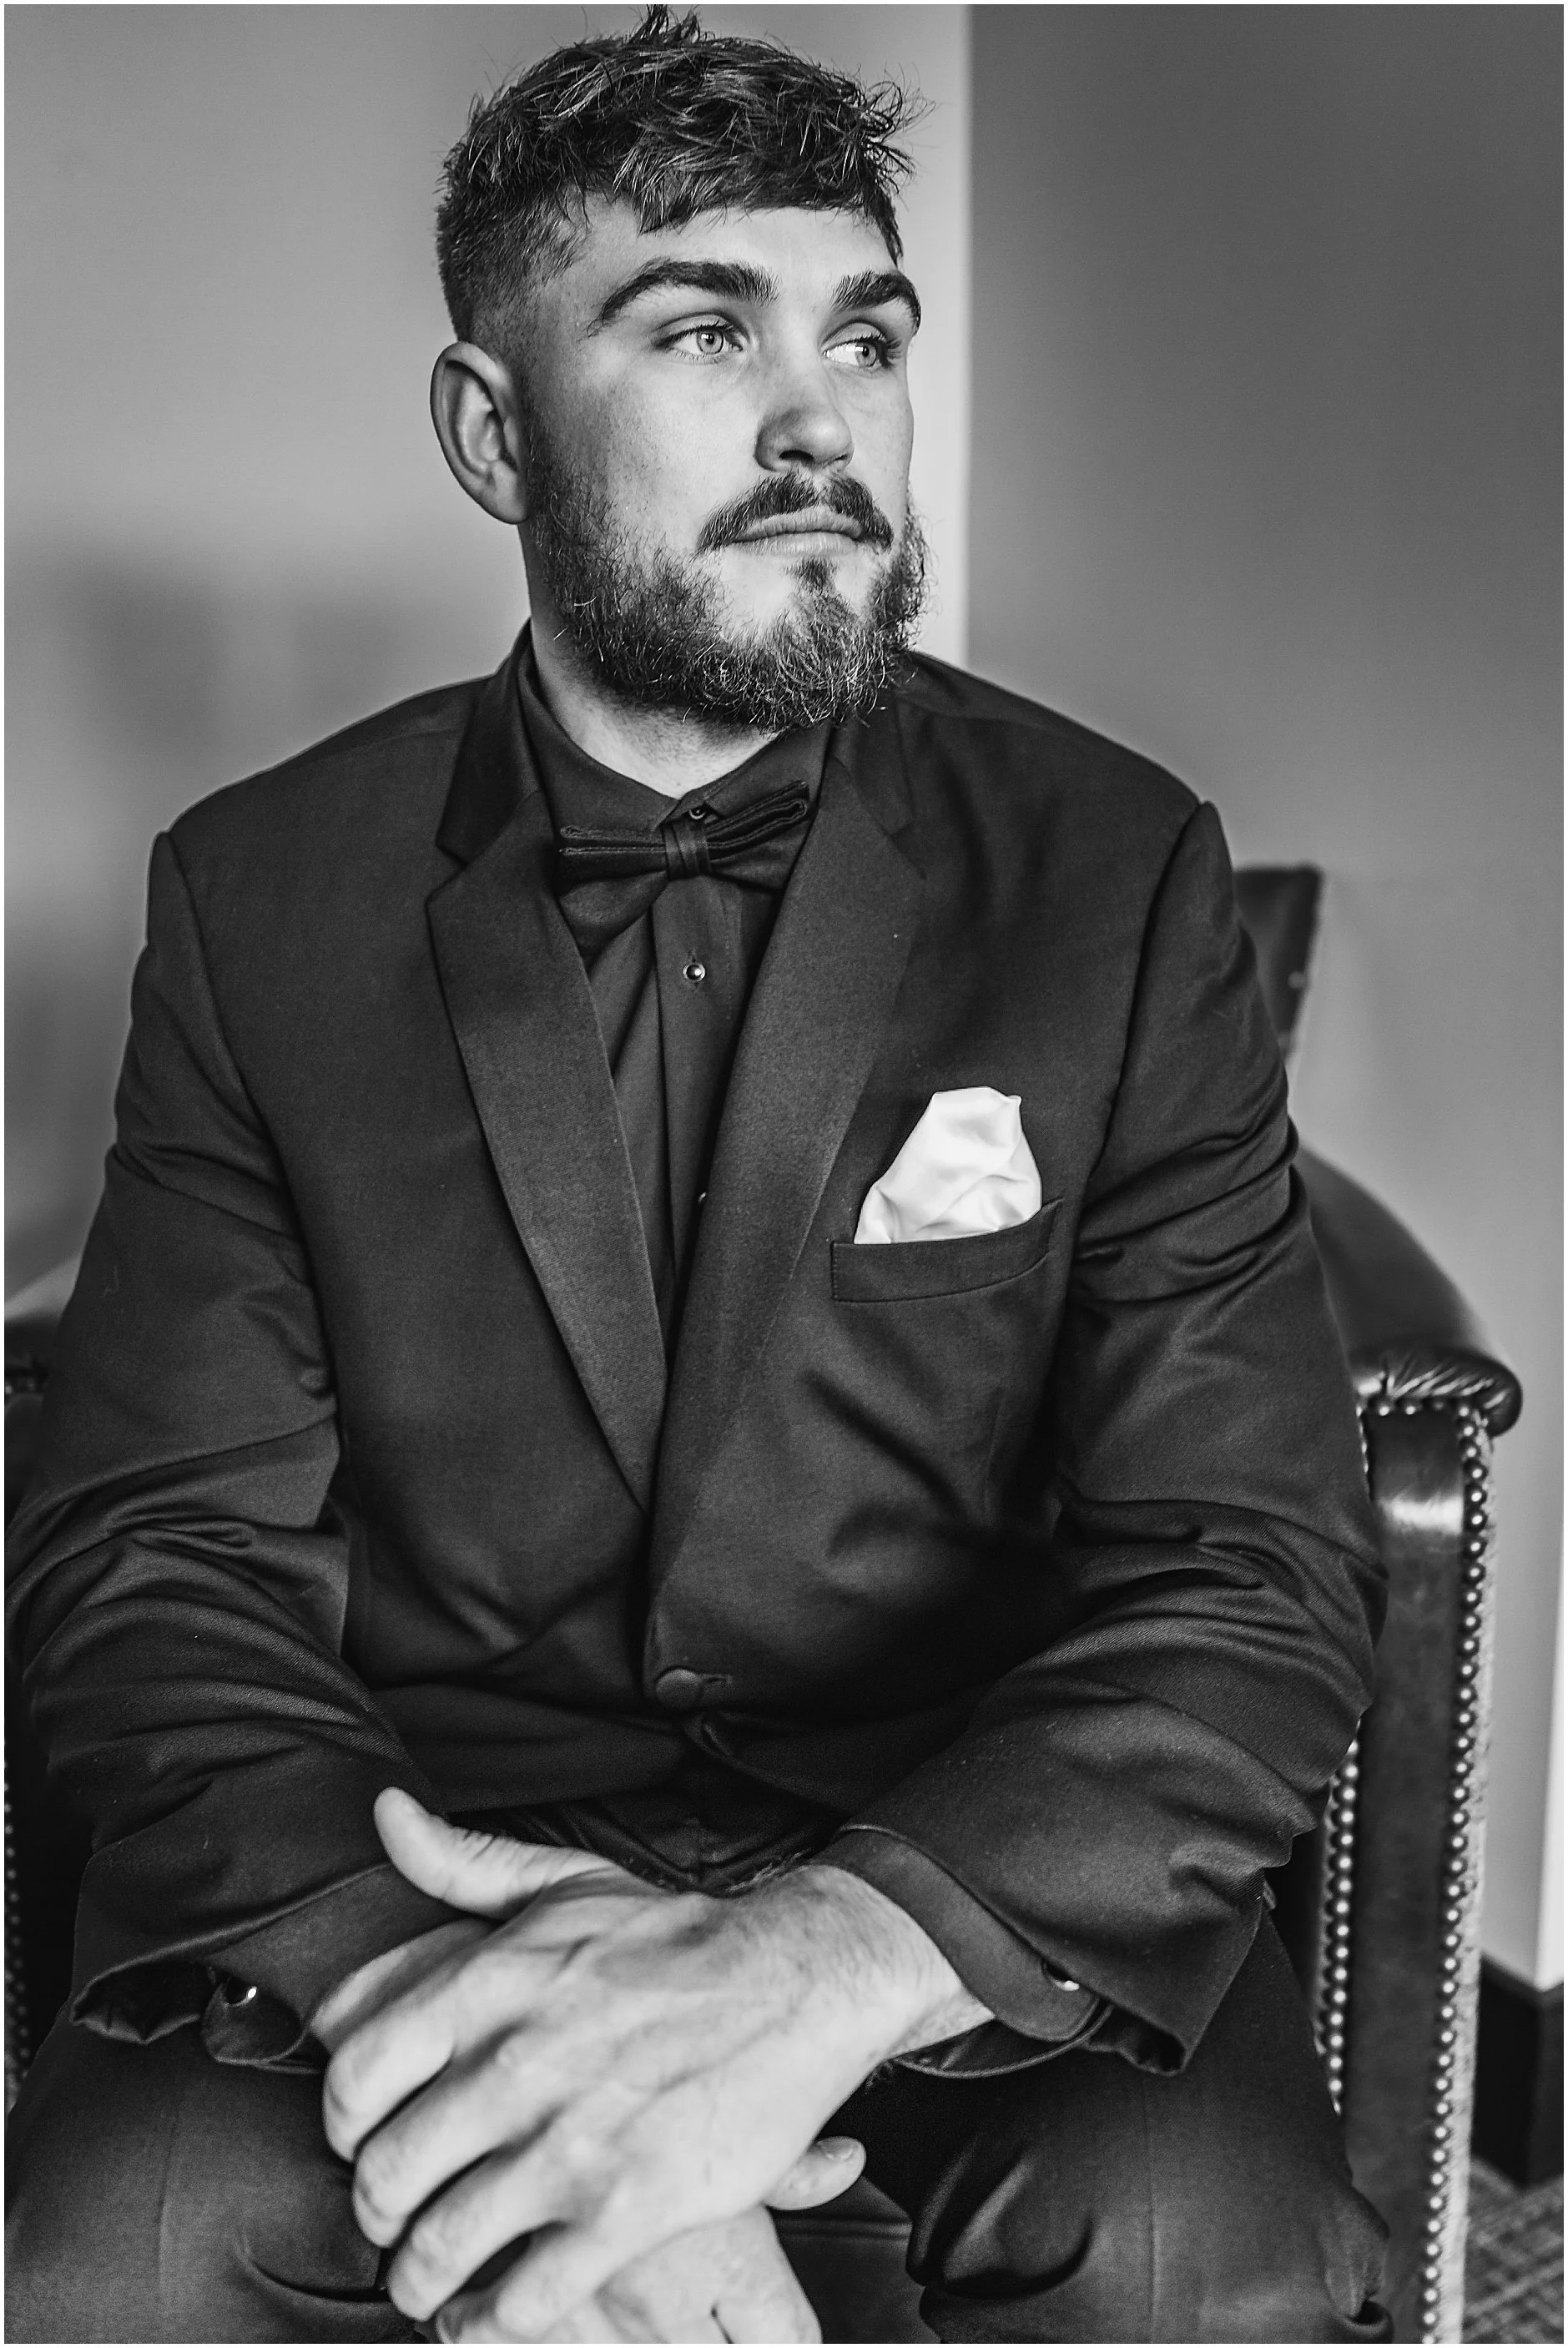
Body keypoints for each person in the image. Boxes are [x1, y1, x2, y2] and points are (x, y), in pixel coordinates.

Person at [6, 11, 1392, 2341]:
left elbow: (1248, 1563)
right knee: (116, 2243)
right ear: (491, 429)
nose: (822, 422)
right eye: (704, 332)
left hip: (958, 1843)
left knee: (1194, 2240)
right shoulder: (260, 896)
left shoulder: (1116, 869)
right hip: (433, 1840)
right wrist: (538, 2066)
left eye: (867, 336)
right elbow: (156, 1564)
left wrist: (805, 1973)